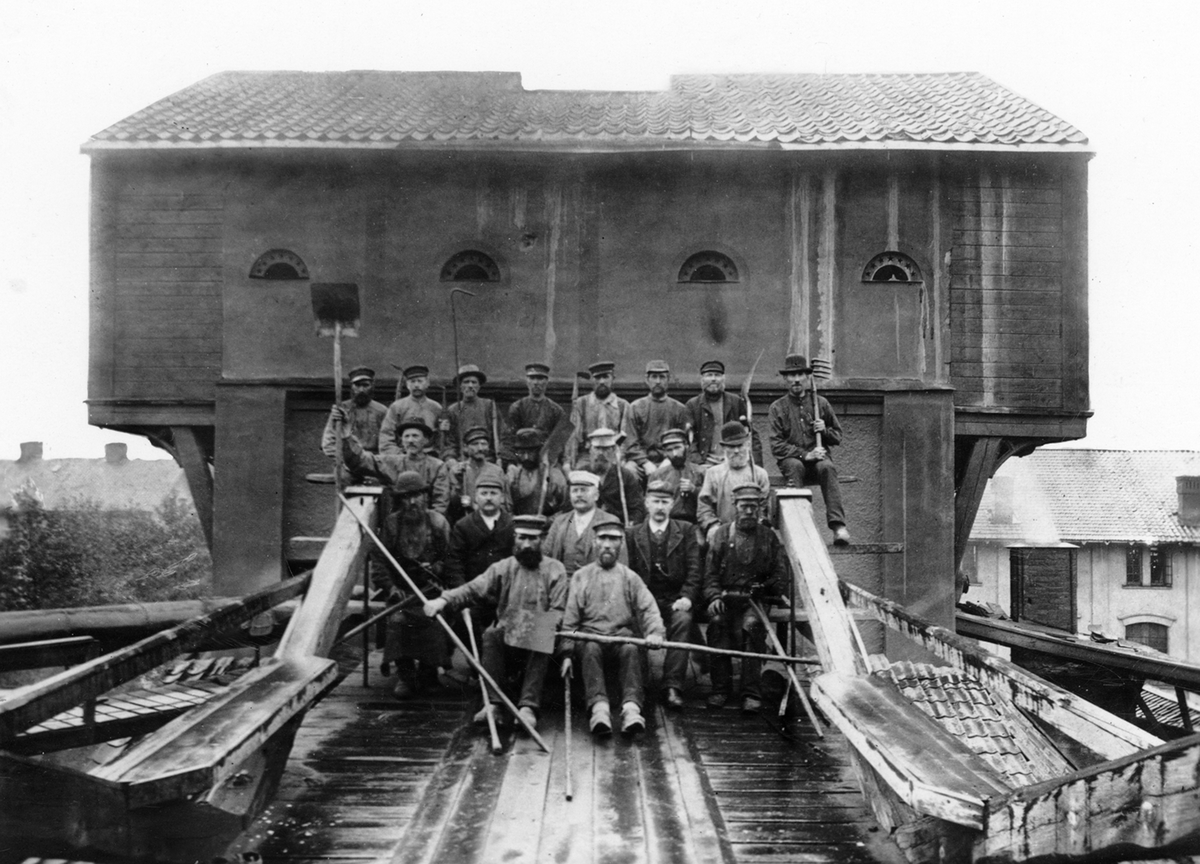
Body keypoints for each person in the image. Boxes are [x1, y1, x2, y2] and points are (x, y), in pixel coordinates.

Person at [424, 515, 567, 732]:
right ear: (514, 539)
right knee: (491, 634)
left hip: (543, 648)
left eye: (533, 539)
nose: (527, 545)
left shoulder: (555, 570)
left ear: (543, 540)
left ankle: (528, 707)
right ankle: (493, 704)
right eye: (521, 538)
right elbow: (473, 588)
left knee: (542, 629)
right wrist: (443, 600)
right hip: (508, 642)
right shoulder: (503, 567)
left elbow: (559, 612)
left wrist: (527, 626)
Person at [560, 522, 665, 735]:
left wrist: (654, 633)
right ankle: (599, 710)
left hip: (620, 637)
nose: (607, 545)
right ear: (594, 542)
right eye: (602, 539)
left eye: (613, 539)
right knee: (590, 649)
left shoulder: (629, 577)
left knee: (631, 649)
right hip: (590, 636)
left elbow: (648, 609)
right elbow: (570, 620)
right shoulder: (582, 577)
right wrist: (567, 653)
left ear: (621, 544)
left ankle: (631, 709)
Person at [703, 485, 789, 712]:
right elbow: (710, 574)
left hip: (755, 601)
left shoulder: (768, 538)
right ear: (735, 508)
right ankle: (720, 689)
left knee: (752, 626)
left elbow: (780, 574)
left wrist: (766, 587)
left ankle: (751, 692)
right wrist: (713, 597)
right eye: (744, 506)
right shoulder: (721, 534)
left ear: (760, 508)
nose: (749, 511)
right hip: (726, 598)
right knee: (717, 624)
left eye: (754, 506)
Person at [373, 471, 452, 699]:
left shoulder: (438, 523)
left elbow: (452, 557)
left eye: (417, 496)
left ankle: (429, 675)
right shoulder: (392, 524)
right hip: (402, 593)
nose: (413, 502)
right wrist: (389, 587)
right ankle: (406, 676)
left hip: (431, 591)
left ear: (425, 497)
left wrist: (437, 568)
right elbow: (379, 560)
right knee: (398, 621)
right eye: (407, 497)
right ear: (400, 500)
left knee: (435, 621)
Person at [625, 480, 702, 710]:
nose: (660, 506)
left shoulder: (686, 530)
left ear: (672, 504)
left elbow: (695, 569)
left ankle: (672, 685)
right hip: (643, 600)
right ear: (647, 504)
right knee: (633, 624)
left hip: (674, 599)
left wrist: (687, 597)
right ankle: (639, 684)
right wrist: (637, 602)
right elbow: (628, 573)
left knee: (683, 620)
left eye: (665, 502)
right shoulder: (633, 534)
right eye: (655, 501)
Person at [768, 354, 850, 545]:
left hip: (819, 459)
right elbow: (777, 445)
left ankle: (838, 527)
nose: (796, 379)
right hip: (792, 460)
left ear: (807, 377)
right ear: (785, 379)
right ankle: (799, 527)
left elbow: (837, 436)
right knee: (796, 466)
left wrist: (825, 431)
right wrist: (806, 454)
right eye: (791, 375)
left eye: (800, 375)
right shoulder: (777, 408)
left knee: (827, 468)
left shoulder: (820, 404)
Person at [333, 412, 451, 515]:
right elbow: (361, 462)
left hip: (425, 522)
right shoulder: (391, 462)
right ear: (402, 441)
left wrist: (431, 524)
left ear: (425, 440)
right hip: (396, 523)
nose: (410, 440)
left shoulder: (437, 466)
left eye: (415, 436)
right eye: (406, 436)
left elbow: (440, 502)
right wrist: (346, 436)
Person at [696, 421, 770, 544]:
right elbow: (704, 506)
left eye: (740, 445)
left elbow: (764, 506)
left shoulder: (760, 474)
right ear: (724, 448)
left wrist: (759, 523)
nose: (736, 451)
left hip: (752, 532)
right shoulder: (713, 473)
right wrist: (712, 525)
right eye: (731, 446)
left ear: (747, 445)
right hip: (722, 532)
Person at [545, 470, 627, 576]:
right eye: (575, 491)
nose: (579, 495)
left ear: (596, 495)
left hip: (597, 583)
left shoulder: (610, 521)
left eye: (583, 490)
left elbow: (621, 564)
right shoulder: (560, 521)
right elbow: (546, 556)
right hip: (563, 585)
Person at [685, 360, 763, 468]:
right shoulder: (693, 405)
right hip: (705, 462)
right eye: (709, 375)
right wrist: (699, 463)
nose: (713, 379)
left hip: (732, 460)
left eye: (717, 375)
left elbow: (750, 434)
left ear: (723, 378)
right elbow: (689, 439)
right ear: (702, 379)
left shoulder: (736, 402)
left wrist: (755, 465)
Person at [320, 367, 388, 479]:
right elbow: (328, 442)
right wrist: (344, 458)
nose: (361, 390)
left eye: (365, 385)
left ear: (372, 387)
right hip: (346, 463)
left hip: (373, 462)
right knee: (344, 481)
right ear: (351, 387)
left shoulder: (382, 411)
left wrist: (377, 461)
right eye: (357, 385)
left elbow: (388, 443)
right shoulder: (341, 410)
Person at [626, 360, 690, 473]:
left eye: (662, 377)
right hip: (641, 461)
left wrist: (668, 461)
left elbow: (683, 442)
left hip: (670, 460)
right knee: (629, 470)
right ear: (647, 380)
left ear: (668, 379)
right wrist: (645, 463)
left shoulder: (679, 409)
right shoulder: (635, 407)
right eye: (654, 377)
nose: (658, 381)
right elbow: (630, 442)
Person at [567, 361, 634, 466]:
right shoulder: (582, 404)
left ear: (613, 378)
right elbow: (574, 439)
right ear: (592, 380)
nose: (602, 381)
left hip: (614, 456)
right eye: (597, 378)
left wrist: (620, 460)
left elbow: (626, 439)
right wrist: (569, 463)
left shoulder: (623, 405)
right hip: (587, 457)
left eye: (606, 377)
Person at [575, 427, 645, 526]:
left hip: (617, 528)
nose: (600, 453)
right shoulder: (581, 475)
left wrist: (631, 524)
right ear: (590, 450)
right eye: (597, 448)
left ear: (613, 451)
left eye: (605, 449)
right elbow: (569, 510)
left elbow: (637, 509)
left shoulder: (625, 476)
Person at [441, 365, 503, 469]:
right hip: (463, 462)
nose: (470, 386)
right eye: (466, 382)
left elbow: (502, 435)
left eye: (474, 382)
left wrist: (502, 459)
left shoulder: (489, 406)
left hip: (489, 461)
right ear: (460, 386)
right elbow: (449, 442)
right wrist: (450, 459)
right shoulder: (453, 410)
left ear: (479, 386)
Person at [380, 364, 443, 456]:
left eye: (420, 381)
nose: (416, 385)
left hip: (429, 456)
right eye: (412, 381)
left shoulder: (436, 408)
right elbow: (386, 437)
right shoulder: (397, 407)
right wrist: (398, 456)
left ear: (427, 383)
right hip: (403, 455)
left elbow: (440, 439)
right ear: (407, 384)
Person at [451, 426, 512, 520]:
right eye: (475, 444)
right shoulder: (458, 471)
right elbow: (451, 503)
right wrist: (459, 484)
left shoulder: (497, 471)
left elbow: (505, 505)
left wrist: (473, 505)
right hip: (464, 521)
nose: (480, 448)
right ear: (466, 447)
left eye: (484, 444)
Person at [506, 427, 568, 517]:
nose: (526, 457)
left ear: (540, 452)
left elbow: (566, 509)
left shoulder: (554, 475)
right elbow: (506, 509)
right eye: (522, 453)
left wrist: (550, 520)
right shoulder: (513, 477)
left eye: (531, 453)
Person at [649, 428, 704, 525]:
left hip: (695, 523)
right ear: (665, 452)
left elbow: (710, 500)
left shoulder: (701, 472)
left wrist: (694, 490)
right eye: (669, 450)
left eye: (677, 448)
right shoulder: (658, 475)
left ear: (686, 446)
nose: (674, 454)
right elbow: (650, 505)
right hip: (667, 523)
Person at [508, 362, 565, 444]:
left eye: (540, 378)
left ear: (546, 381)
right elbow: (511, 437)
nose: (535, 382)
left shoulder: (556, 410)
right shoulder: (517, 407)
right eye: (532, 378)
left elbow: (559, 438)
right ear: (526, 381)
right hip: (522, 452)